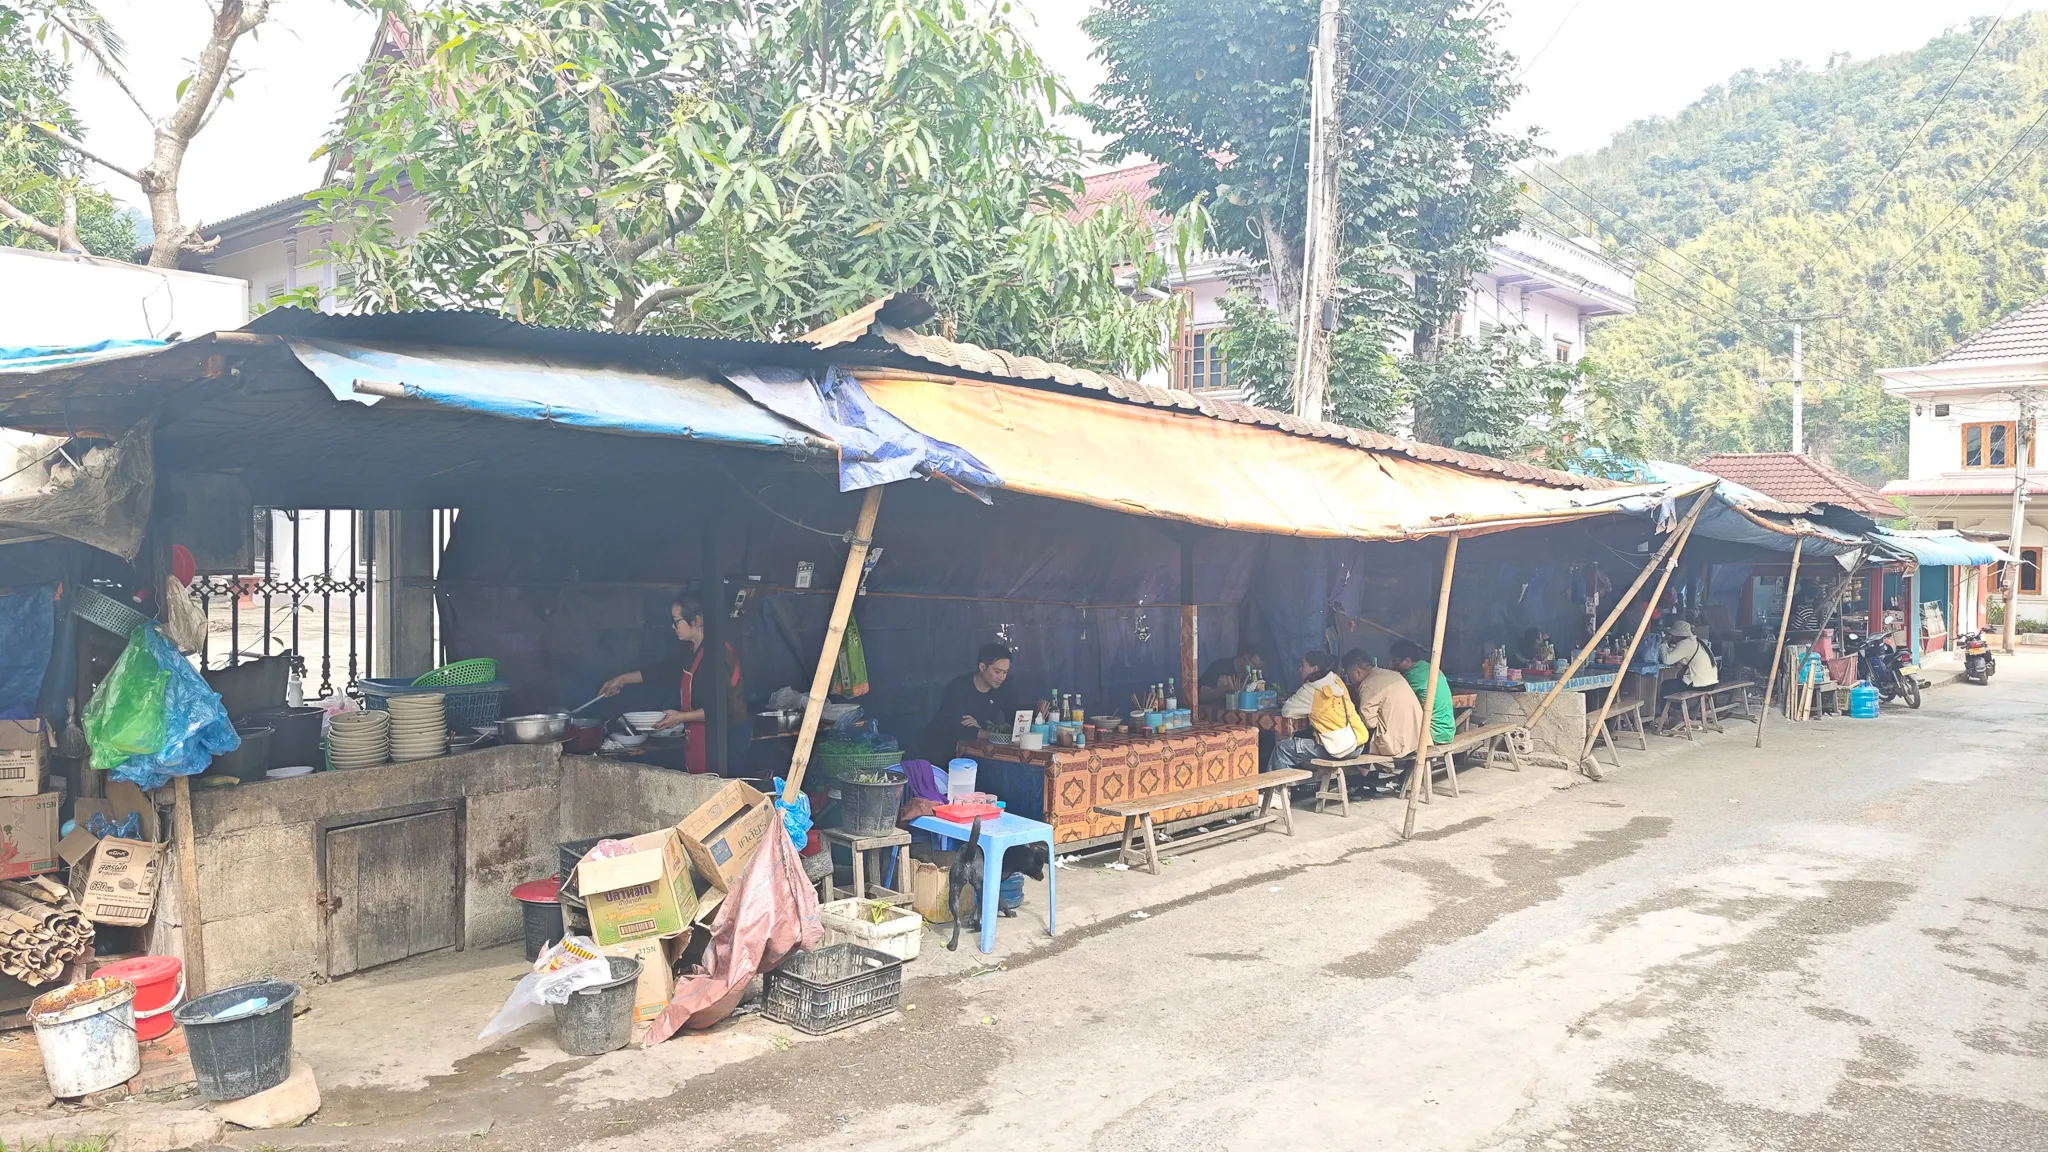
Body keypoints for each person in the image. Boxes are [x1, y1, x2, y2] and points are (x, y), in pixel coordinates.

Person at [599, 592, 747, 775]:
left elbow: (723, 707)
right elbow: (663, 672)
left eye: (676, 621)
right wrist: (621, 679)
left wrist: (680, 717)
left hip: (726, 742)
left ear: (697, 620)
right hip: (703, 739)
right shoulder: (692, 651)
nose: (673, 627)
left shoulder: (717, 655)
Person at [914, 643, 1021, 765]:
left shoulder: (1004, 688)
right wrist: (990, 734)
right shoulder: (958, 688)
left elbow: (1014, 718)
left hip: (972, 754)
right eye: (997, 671)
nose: (1001, 677)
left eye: (1005, 672)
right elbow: (960, 728)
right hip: (936, 748)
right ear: (982, 667)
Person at [1269, 650, 1370, 772]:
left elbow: (1287, 711)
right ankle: (1306, 784)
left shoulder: (1311, 689)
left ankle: (1278, 790)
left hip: (1340, 748)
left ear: (1314, 668)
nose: (1300, 670)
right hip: (1358, 743)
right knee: (1305, 746)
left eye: (1303, 665)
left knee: (1283, 748)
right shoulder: (1336, 680)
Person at [1342, 649, 1423, 759]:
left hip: (1398, 743)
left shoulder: (1368, 684)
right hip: (1418, 737)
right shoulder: (1393, 674)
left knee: (1357, 739)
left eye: (1348, 674)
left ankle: (1362, 774)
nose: (1349, 680)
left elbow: (1369, 722)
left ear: (1358, 672)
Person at [1388, 639, 1456, 746]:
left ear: (1408, 660)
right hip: (1448, 731)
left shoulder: (1413, 675)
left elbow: (1395, 699)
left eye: (1395, 662)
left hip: (1433, 734)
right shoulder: (1428, 667)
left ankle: (1402, 762)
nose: (1393, 666)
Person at [1659, 619, 1719, 688]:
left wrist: (1663, 643)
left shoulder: (1685, 644)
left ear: (1677, 636)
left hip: (1700, 683)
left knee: (1665, 685)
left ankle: (1663, 699)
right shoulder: (1693, 641)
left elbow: (1667, 660)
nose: (1671, 638)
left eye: (1672, 636)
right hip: (1711, 681)